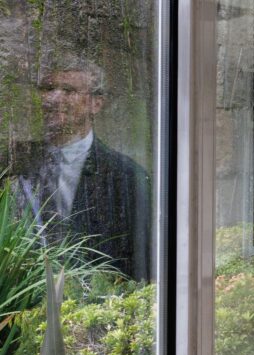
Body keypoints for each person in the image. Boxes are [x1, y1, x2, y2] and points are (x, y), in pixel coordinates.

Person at [2, 55, 151, 281]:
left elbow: (140, 266)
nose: (53, 98)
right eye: (48, 88)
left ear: (96, 103)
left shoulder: (127, 176)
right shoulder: (10, 163)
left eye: (68, 90)